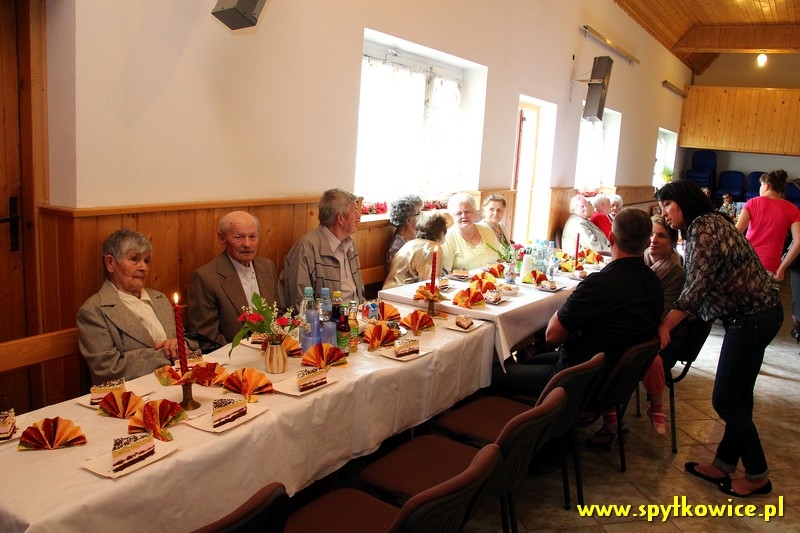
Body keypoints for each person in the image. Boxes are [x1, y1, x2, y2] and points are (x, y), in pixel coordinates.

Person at [656, 179, 782, 498]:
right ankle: (723, 464)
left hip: (751, 317)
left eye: (667, 205)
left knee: (725, 400)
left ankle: (757, 476)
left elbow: (695, 289)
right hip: (759, 314)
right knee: (739, 398)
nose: (664, 213)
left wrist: (665, 326)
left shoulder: (703, 227)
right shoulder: (709, 222)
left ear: (683, 201)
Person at [491, 209, 663, 424]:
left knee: (491, 374)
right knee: (526, 359)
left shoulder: (600, 284)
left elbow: (552, 335)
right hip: (610, 380)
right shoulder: (654, 283)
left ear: (611, 238)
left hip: (577, 381)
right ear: (646, 243)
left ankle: (513, 433)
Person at [77, 229, 193, 383]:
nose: (143, 267)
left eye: (146, 260)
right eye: (134, 259)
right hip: (133, 392)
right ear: (110, 263)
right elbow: (107, 368)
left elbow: (188, 340)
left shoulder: (159, 299)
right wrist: (167, 353)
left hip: (178, 382)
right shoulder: (94, 310)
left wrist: (182, 344)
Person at [187, 211, 278, 351]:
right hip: (232, 356)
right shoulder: (206, 278)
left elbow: (277, 315)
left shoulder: (267, 267)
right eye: (239, 237)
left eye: (252, 236)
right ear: (222, 238)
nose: (247, 244)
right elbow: (206, 338)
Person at [278, 188, 365, 310]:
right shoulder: (306, 248)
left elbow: (359, 293)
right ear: (340, 218)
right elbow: (301, 304)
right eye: (354, 211)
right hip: (329, 319)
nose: (358, 216)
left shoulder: (350, 244)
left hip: (357, 316)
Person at [639, 215, 686, 435]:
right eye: (651, 234)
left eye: (661, 236)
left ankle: (655, 406)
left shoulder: (676, 271)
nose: (654, 240)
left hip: (666, 334)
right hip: (643, 326)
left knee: (639, 354)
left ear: (673, 241)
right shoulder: (638, 259)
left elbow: (663, 313)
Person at [735, 169, 800, 281]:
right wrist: (782, 268)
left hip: (747, 260)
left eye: (760, 185)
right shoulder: (793, 209)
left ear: (766, 186)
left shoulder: (752, 202)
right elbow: (798, 242)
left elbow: (736, 233)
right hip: (771, 265)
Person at [383, 212, 447, 289]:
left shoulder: (409, 243)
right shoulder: (433, 248)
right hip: (405, 292)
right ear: (441, 232)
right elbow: (430, 284)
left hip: (388, 290)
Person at [441, 192, 502, 271]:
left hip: (495, 278)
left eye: (467, 211)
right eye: (459, 213)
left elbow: (500, 259)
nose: (464, 216)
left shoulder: (487, 230)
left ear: (475, 213)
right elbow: (446, 273)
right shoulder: (448, 238)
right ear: (452, 216)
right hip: (465, 279)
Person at [385, 195, 423, 271]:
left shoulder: (418, 239)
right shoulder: (397, 249)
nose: (422, 216)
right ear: (408, 220)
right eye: (419, 214)